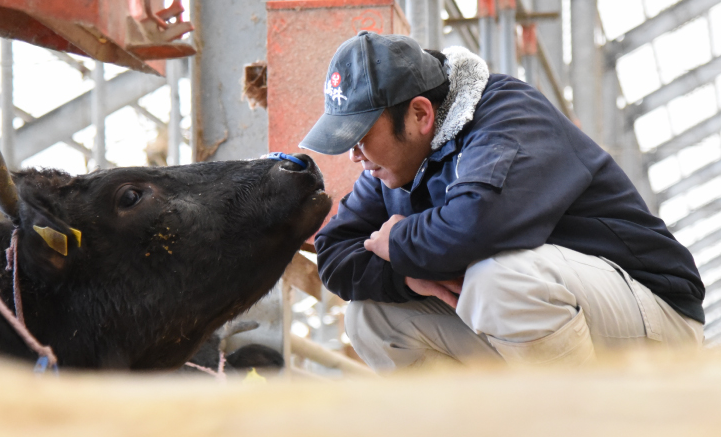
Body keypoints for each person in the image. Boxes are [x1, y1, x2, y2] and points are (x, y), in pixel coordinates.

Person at [298, 31, 704, 370]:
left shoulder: (506, 115)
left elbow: (477, 224)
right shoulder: (392, 168)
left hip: (655, 319)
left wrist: (399, 243)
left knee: (498, 279)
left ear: (420, 115)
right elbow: (335, 251)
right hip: (552, 326)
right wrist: (406, 274)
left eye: (362, 134)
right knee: (369, 317)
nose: (354, 155)